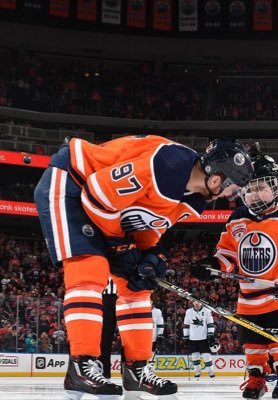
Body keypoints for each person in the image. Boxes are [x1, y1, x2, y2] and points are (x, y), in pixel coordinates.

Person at [34, 135, 253, 399]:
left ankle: (136, 370)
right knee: (89, 269)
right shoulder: (167, 163)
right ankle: (81, 365)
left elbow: (148, 224)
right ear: (217, 178)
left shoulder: (196, 198)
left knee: (136, 286)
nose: (231, 196)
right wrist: (119, 245)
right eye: (232, 188)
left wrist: (150, 256)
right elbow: (97, 195)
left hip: (108, 209)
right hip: (72, 181)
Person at [191, 153, 278, 399]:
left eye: (261, 187)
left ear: (276, 186)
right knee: (253, 347)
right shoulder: (238, 216)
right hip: (248, 300)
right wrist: (211, 265)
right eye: (249, 188)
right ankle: (256, 378)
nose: (254, 193)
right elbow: (227, 254)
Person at [183, 300, 216, 380]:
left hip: (203, 338)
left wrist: (211, 334)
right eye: (195, 302)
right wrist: (185, 336)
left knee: (207, 356)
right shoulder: (189, 312)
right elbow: (186, 324)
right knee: (195, 357)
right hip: (192, 338)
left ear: (202, 302)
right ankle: (197, 371)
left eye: (198, 302)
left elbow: (210, 324)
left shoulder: (207, 311)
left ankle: (211, 371)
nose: (197, 304)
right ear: (193, 303)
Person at [98, 277, 119, 379]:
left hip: (122, 296)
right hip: (106, 298)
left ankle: (130, 374)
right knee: (105, 338)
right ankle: (104, 372)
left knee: (128, 337)